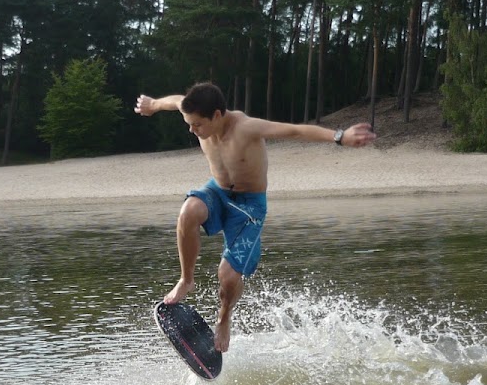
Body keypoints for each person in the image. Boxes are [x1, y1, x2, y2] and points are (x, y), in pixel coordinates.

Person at [135, 82, 377, 353]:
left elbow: (295, 131)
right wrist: (152, 105)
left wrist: (340, 137)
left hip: (249, 206)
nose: (192, 130)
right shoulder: (191, 111)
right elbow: (172, 101)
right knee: (188, 211)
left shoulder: (246, 128)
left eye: (197, 125)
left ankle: (224, 316)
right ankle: (186, 280)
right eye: (189, 124)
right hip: (218, 191)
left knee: (227, 276)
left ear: (217, 115)